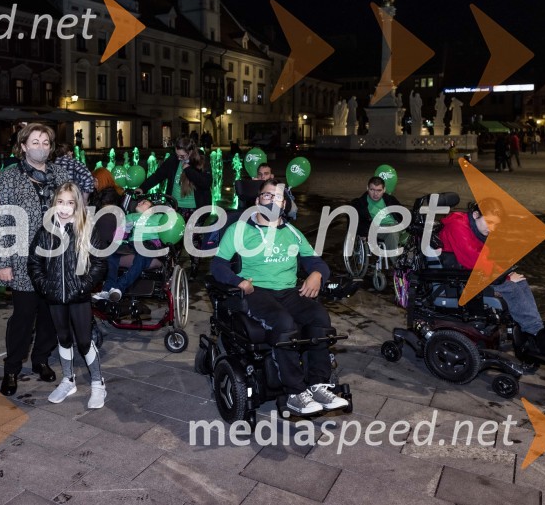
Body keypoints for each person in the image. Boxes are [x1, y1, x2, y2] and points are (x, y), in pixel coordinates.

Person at [211, 179, 349, 415]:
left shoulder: (293, 233)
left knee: (319, 316)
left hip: (288, 291)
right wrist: (238, 282)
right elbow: (218, 265)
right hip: (257, 292)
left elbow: (317, 262)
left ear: (284, 203)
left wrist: (316, 274)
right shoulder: (239, 229)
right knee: (283, 322)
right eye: (267, 196)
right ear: (257, 200)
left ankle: (317, 385)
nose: (272, 201)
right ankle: (295, 392)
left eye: (277, 197)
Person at [0, 123, 71, 396]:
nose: (41, 147)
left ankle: (40, 360)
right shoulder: (9, 177)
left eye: (46, 142)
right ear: (23, 146)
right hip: (21, 257)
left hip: (55, 257)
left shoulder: (60, 174)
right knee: (24, 317)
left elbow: (73, 213)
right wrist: (2, 263)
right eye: (35, 142)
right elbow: (0, 220)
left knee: (51, 315)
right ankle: (12, 368)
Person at [438, 199, 545, 358]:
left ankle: (535, 331)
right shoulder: (458, 227)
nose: (492, 228)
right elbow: (473, 260)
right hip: (460, 277)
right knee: (512, 288)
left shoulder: (474, 227)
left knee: (521, 281)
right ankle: (538, 336)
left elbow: (484, 258)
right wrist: (506, 277)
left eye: (495, 224)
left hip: (471, 272)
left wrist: (507, 273)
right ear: (475, 215)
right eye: (489, 222)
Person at [27, 183, 108, 408]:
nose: (64, 208)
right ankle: (68, 380)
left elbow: (100, 262)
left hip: (79, 295)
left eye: (70, 203)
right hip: (54, 296)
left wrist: (84, 286)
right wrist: (45, 286)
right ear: (55, 203)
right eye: (60, 202)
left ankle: (97, 383)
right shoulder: (46, 229)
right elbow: (34, 262)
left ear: (77, 205)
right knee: (63, 338)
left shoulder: (86, 227)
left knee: (83, 341)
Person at [137, 136, 212, 277]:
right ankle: (172, 269)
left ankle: (194, 269)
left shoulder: (202, 160)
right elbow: (158, 175)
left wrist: (189, 170)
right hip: (175, 206)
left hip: (196, 208)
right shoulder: (173, 160)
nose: (179, 158)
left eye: (182, 156)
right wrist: (143, 188)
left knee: (193, 239)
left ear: (190, 152)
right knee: (173, 240)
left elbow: (206, 183)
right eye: (177, 155)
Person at [95, 196, 166, 302]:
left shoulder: (159, 217)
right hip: (132, 245)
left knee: (141, 256)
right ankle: (107, 289)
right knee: (111, 255)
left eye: (144, 202)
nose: (140, 202)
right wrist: (125, 230)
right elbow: (117, 237)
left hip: (149, 245)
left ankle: (119, 288)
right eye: (139, 201)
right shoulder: (130, 216)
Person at [351, 176, 404, 255]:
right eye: (372, 190)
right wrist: (363, 233)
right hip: (377, 229)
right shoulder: (360, 203)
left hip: (396, 225)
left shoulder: (389, 199)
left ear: (384, 190)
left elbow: (403, 212)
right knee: (392, 233)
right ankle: (397, 264)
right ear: (367, 188)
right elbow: (358, 222)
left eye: (379, 190)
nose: (375, 194)